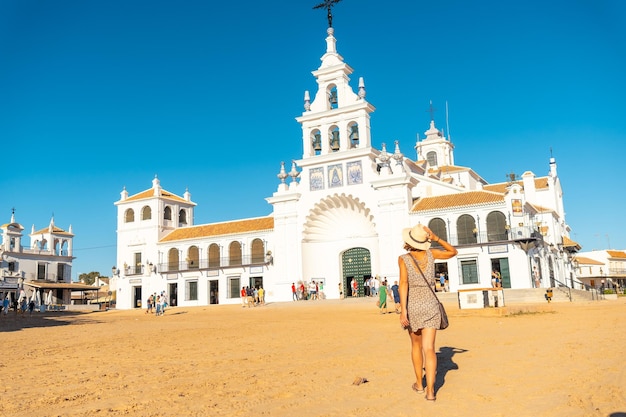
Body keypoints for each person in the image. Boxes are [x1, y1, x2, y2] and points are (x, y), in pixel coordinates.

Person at [399, 224, 458, 401]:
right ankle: (431, 391)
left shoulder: (404, 258)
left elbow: (403, 284)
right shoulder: (431, 254)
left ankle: (419, 384)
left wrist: (403, 311)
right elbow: (453, 252)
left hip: (414, 305)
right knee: (430, 349)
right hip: (431, 304)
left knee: (416, 346)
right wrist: (436, 238)